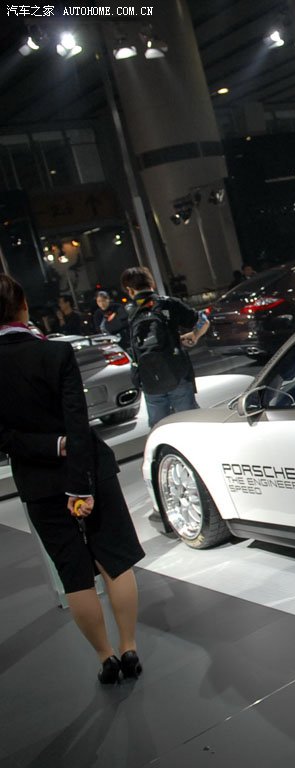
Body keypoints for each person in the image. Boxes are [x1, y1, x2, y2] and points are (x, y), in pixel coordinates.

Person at [0, 275, 144, 685]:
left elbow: (2, 437)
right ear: (23, 306)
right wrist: (79, 480)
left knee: (73, 573)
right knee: (115, 559)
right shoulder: (55, 353)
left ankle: (105, 658)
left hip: (38, 481)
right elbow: (78, 422)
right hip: (90, 470)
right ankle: (129, 647)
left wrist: (51, 447)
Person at [120, 266, 209, 428]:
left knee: (159, 428)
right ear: (151, 283)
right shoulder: (167, 303)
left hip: (149, 378)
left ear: (129, 290)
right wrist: (194, 336)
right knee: (190, 423)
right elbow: (203, 321)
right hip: (177, 373)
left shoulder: (128, 312)